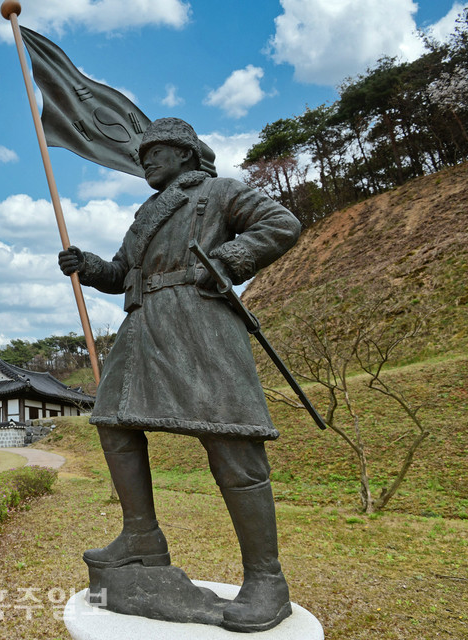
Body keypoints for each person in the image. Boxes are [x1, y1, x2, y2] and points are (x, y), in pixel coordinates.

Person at [58, 117, 301, 632]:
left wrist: (227, 260)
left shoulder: (219, 192)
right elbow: (122, 272)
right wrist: (89, 265)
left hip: (199, 321)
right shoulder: (147, 213)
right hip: (142, 326)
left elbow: (280, 224)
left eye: (156, 152)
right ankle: (141, 536)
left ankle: (267, 578)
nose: (145, 161)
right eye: (143, 154)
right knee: (113, 421)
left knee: (232, 440)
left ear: (186, 154)